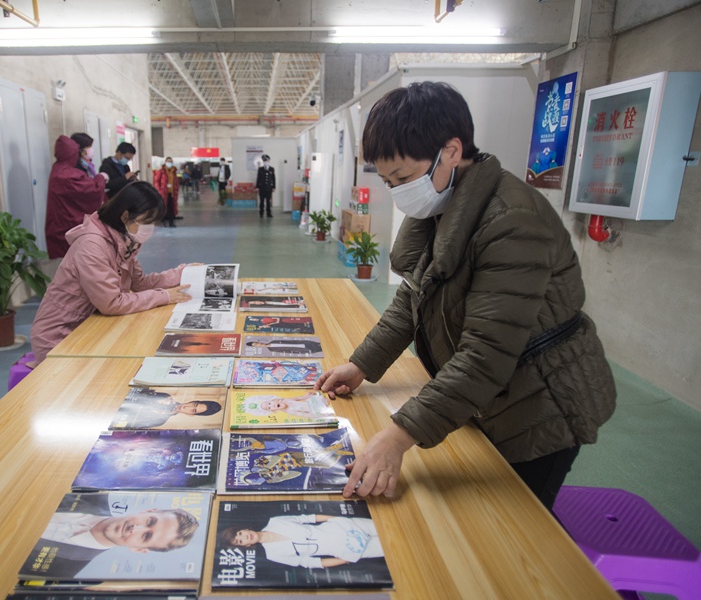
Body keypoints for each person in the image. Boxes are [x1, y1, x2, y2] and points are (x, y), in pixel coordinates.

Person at [314, 81, 616, 510]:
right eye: (387, 181)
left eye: (403, 178)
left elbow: (486, 354)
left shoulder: (512, 222)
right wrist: (362, 364)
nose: (397, 191)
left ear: (452, 151)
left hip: (541, 406)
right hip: (491, 397)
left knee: (516, 528)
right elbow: (412, 301)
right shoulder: (446, 204)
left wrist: (399, 435)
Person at [29, 181, 192, 366]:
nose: (150, 228)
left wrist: (182, 273)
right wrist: (164, 296)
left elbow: (140, 283)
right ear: (125, 216)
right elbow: (112, 303)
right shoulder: (92, 246)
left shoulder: (123, 240)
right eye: (146, 221)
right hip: (60, 336)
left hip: (90, 325)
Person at [26, 493, 200, 578]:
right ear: (148, 511)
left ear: (139, 549)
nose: (136, 528)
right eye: (149, 521)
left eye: (146, 536)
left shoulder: (63, 572)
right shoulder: (91, 492)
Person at [219, 514, 383, 569]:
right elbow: (310, 563)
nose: (245, 537)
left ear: (245, 528)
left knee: (386, 527)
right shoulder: (273, 555)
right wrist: (345, 559)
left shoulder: (275, 521)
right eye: (240, 541)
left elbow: (309, 518)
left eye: (240, 533)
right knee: (389, 546)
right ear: (247, 545)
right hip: (349, 549)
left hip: (343, 527)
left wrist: (337, 519)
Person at [44, 134, 109, 260]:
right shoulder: (67, 174)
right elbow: (92, 189)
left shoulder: (58, 168)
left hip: (63, 222)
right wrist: (101, 178)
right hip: (68, 224)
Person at [122, 389, 223, 428]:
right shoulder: (166, 396)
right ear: (192, 401)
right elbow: (137, 392)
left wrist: (156, 412)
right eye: (194, 404)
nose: (187, 407)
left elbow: (129, 425)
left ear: (190, 415)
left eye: (193, 410)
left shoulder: (160, 421)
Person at [154, 156, 180, 227]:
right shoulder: (161, 171)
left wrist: (176, 188)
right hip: (163, 192)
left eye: (171, 162)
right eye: (168, 161)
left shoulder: (174, 171)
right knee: (163, 206)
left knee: (171, 207)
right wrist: (159, 190)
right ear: (165, 162)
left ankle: (171, 222)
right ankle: (163, 221)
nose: (169, 163)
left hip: (172, 193)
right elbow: (156, 181)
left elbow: (176, 181)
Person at [255, 153, 276, 218]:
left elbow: (273, 178)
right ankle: (261, 213)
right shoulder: (260, 169)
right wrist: (257, 187)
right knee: (261, 201)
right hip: (262, 188)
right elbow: (258, 178)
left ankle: (268, 213)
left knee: (268, 201)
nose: (265, 162)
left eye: (266, 160)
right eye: (264, 161)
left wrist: (274, 187)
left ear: (269, 161)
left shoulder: (272, 169)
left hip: (269, 188)